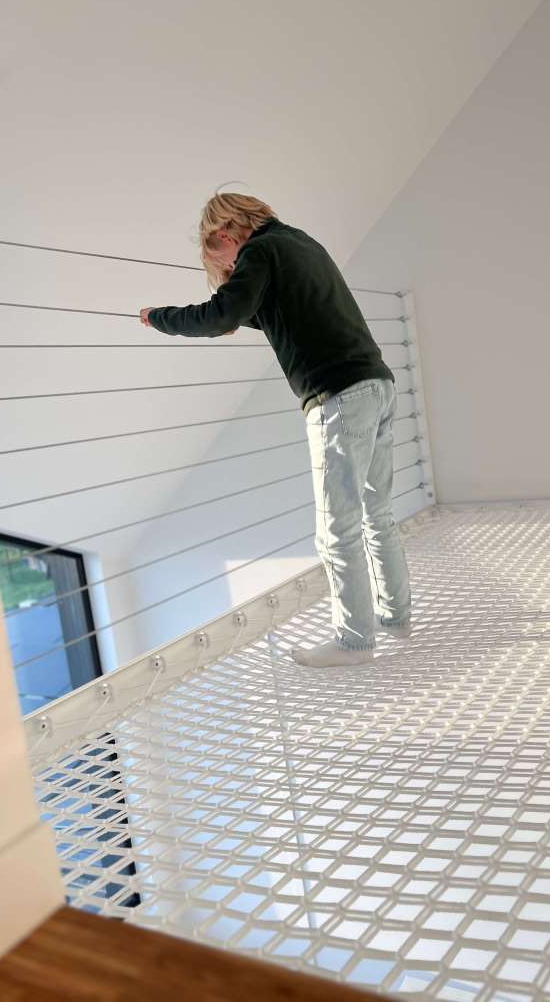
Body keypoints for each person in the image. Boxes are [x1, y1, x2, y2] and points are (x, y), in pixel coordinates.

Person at [140, 192, 411, 668]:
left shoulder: (259, 251)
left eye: (225, 263)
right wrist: (232, 309)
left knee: (336, 532)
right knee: (377, 515)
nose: (229, 272)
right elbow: (272, 311)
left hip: (339, 397)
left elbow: (220, 314)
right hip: (377, 385)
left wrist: (157, 317)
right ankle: (396, 617)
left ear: (225, 234)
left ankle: (355, 642)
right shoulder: (299, 243)